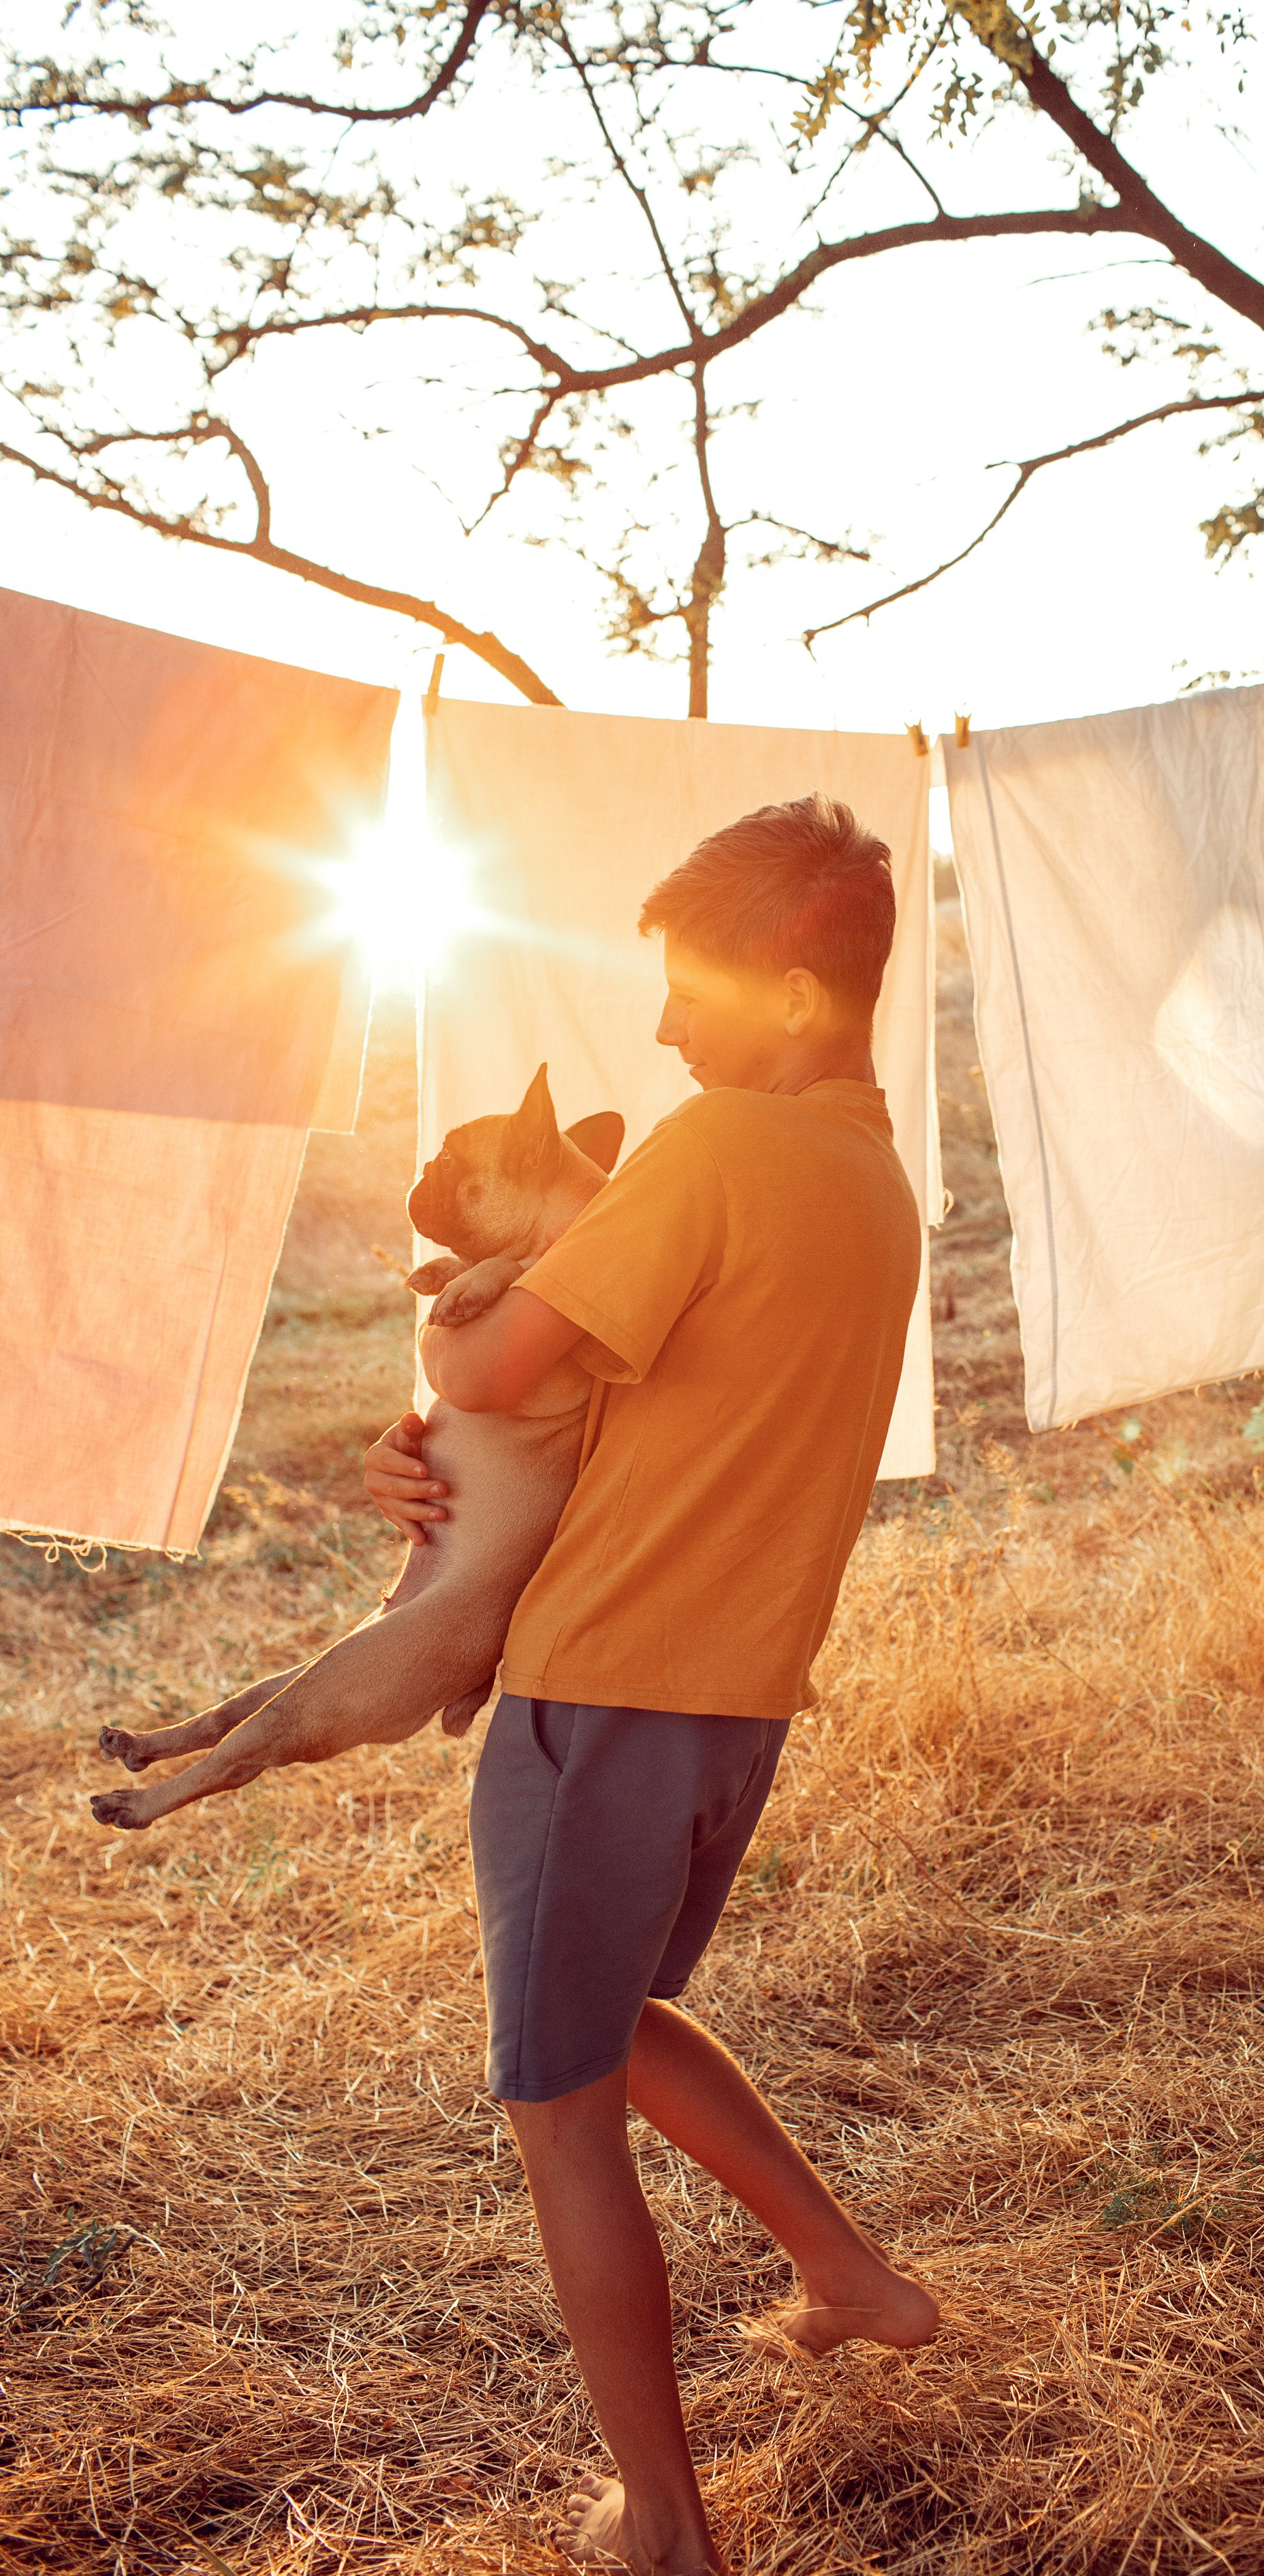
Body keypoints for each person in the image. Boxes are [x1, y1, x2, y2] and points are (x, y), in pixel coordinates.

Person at [364, 795, 939, 2576]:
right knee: (611, 2032)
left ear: (784, 989)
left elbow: (490, 1348)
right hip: (728, 1709)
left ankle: (667, 2526)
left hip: (600, 1693)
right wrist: (450, 1437)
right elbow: (625, 1401)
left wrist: (415, 1407)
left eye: (691, 991)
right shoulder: (870, 1170)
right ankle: (854, 2279)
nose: (669, 1031)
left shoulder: (707, 1152)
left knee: (554, 2104)